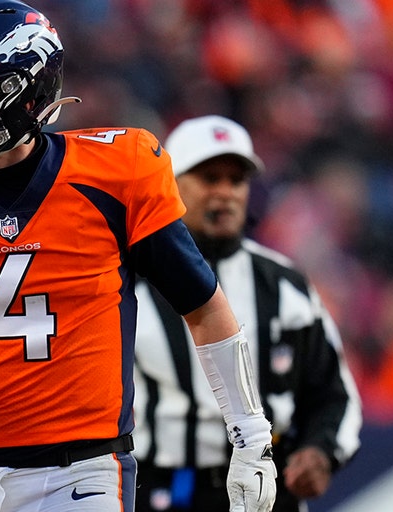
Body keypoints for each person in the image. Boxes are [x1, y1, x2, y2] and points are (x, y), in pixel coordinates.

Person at [0, 1, 277, 511]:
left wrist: (251, 435)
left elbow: (203, 307)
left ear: (24, 101)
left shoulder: (117, 174)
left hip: (86, 471)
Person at [132, 115, 362, 511]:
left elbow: (334, 393)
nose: (225, 193)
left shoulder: (285, 285)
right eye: (209, 178)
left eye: (236, 180)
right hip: (169, 489)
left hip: (270, 490)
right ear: (169, 182)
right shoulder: (129, 283)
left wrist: (320, 452)